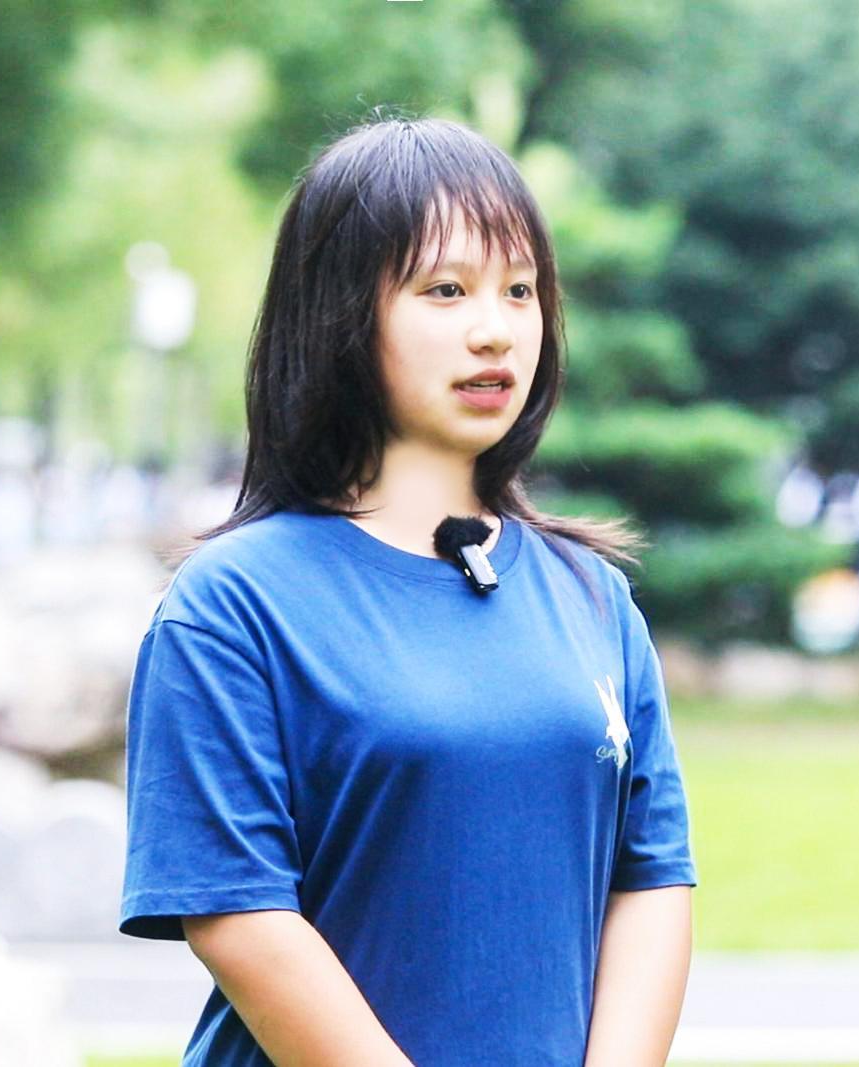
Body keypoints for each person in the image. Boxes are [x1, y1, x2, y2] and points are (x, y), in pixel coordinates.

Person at [119, 114, 697, 1066]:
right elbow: (238, 916)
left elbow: (652, 877)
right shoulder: (232, 605)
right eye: (446, 289)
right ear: (341, 315)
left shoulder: (592, 598)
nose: (495, 328)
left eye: (520, 290)